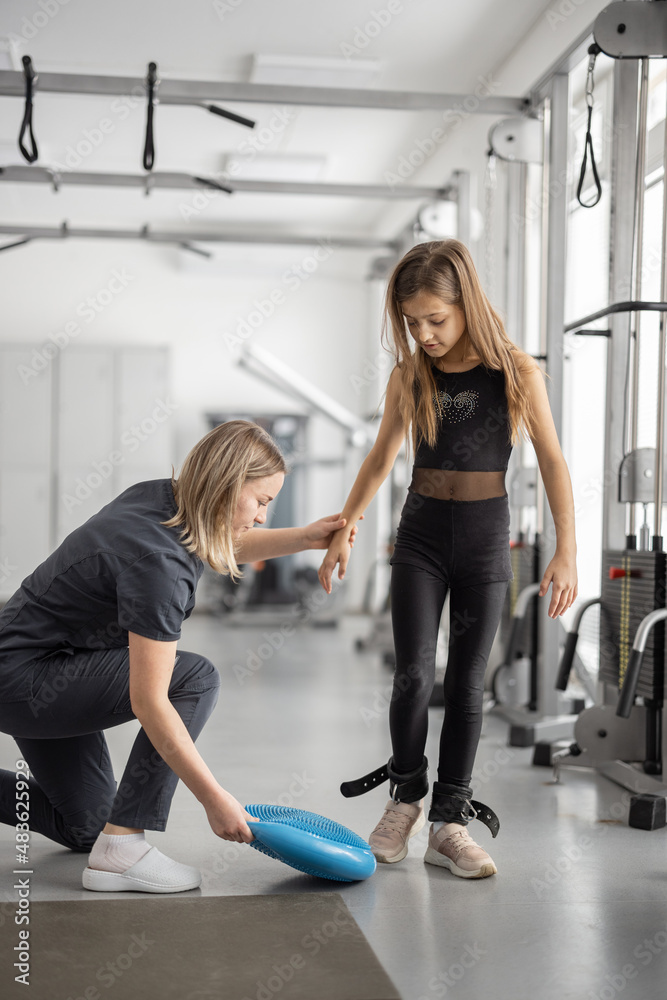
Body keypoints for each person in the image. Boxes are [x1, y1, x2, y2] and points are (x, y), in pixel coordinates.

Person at [0, 419, 355, 893]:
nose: (263, 517)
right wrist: (214, 799)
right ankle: (123, 847)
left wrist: (307, 538)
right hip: (25, 682)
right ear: (228, 486)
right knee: (193, 678)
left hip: (42, 667)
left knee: (85, 827)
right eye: (262, 502)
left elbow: (217, 541)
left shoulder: (163, 498)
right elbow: (149, 701)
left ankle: (108, 837)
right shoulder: (159, 566)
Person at [318, 239, 578, 879]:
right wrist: (343, 529)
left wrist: (567, 547)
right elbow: (381, 460)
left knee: (466, 686)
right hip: (422, 539)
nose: (424, 334)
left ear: (468, 304)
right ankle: (405, 798)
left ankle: (449, 823)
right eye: (412, 323)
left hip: (487, 540)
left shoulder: (515, 371)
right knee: (412, 675)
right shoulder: (409, 376)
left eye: (436, 319)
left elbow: (550, 458)